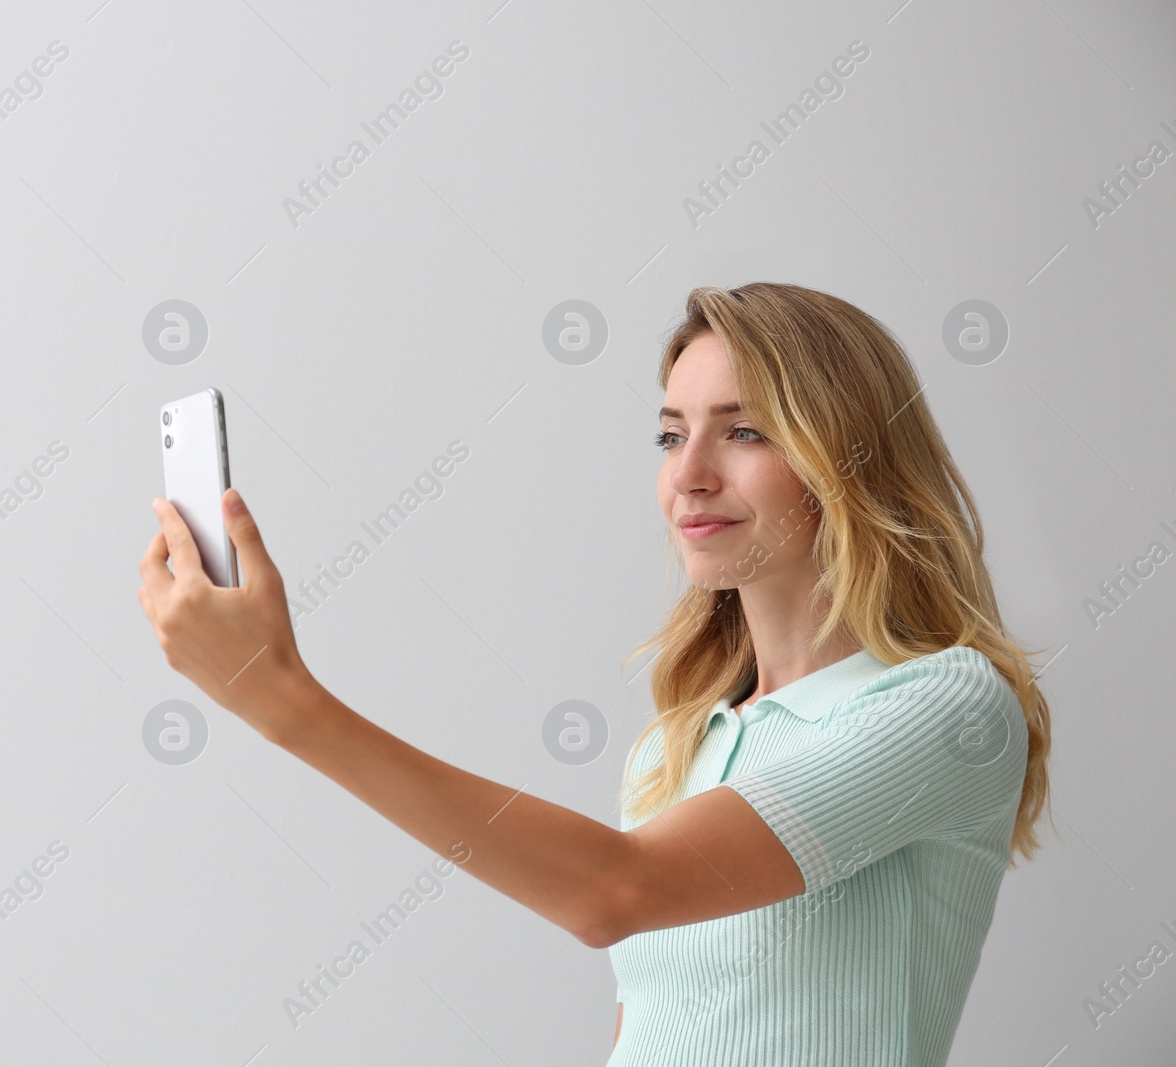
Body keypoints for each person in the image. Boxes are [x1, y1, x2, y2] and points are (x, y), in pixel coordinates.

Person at [137, 282, 1054, 1065]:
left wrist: (281, 698)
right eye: (670, 436)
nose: (688, 474)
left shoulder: (948, 705)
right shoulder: (678, 744)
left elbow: (611, 892)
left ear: (848, 457)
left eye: (743, 433)